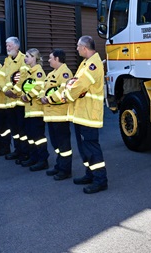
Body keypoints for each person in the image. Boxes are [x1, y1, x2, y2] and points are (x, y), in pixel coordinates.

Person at [47, 36, 108, 194]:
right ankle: (90, 174)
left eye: (78, 46)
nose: (76, 49)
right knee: (85, 149)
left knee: (91, 148)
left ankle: (100, 180)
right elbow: (72, 83)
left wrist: (64, 96)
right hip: (82, 114)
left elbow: (77, 86)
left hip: (89, 114)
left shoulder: (92, 64)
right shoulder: (85, 63)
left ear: (85, 48)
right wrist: (67, 92)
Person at [40, 49, 73, 180]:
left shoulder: (65, 73)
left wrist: (48, 99)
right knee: (56, 143)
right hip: (50, 115)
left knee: (63, 144)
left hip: (60, 115)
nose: (48, 60)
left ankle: (65, 170)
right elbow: (44, 89)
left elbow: (63, 91)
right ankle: (59, 165)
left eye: (50, 58)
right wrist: (42, 97)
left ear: (57, 59)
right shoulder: (51, 74)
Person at [0, 37, 28, 163]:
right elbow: (0, 77)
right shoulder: (7, 61)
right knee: (14, 129)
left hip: (19, 101)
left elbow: (24, 78)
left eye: (9, 46)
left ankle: (25, 152)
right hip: (9, 102)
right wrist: (5, 90)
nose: (7, 48)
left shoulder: (23, 59)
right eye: (6, 46)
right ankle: (17, 150)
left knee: (22, 129)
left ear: (16, 46)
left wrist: (14, 92)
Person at [17, 48, 49, 171]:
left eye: (28, 56)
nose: (25, 58)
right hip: (29, 110)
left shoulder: (38, 72)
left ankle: (42, 160)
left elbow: (38, 87)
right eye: (25, 56)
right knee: (31, 136)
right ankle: (33, 157)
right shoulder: (30, 73)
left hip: (37, 111)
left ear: (35, 58)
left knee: (38, 137)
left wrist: (27, 96)